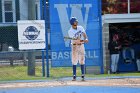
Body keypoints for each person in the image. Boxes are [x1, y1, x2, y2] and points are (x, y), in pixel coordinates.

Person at [68, 17, 88, 81]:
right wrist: (83, 41)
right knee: (74, 61)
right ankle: (74, 76)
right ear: (72, 23)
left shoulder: (80, 27)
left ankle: (83, 75)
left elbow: (84, 34)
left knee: (82, 60)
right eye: (75, 21)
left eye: (76, 21)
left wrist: (86, 38)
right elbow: (76, 41)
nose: (76, 22)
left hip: (81, 45)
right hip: (74, 46)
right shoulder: (70, 31)